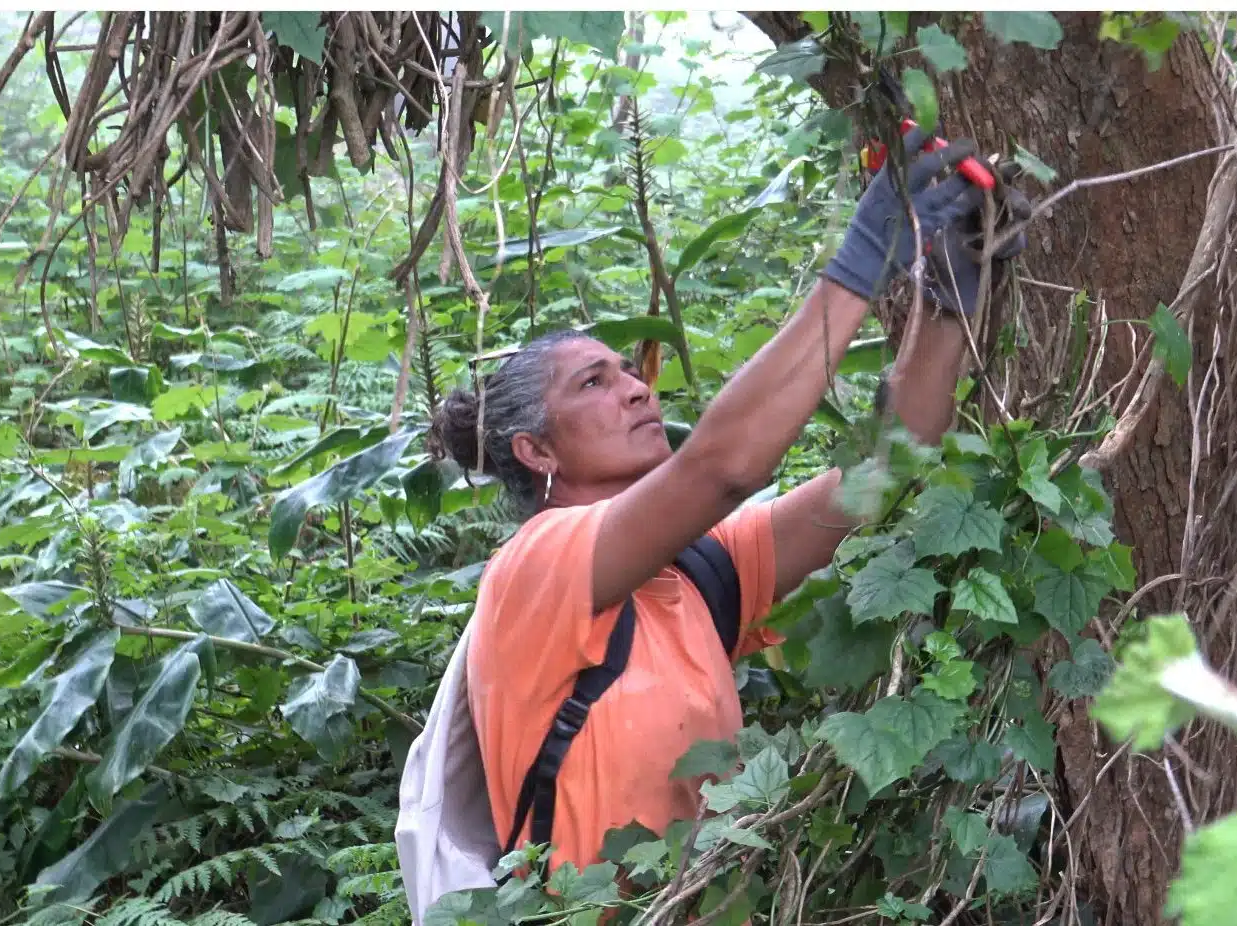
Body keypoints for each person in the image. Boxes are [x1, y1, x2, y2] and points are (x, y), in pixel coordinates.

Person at [423, 129, 1029, 876]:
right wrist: (859, 261)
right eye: (593, 384)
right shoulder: (535, 567)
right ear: (536, 453)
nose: (637, 388)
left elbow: (883, 471)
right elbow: (723, 470)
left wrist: (946, 296)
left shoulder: (697, 573)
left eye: (625, 371)